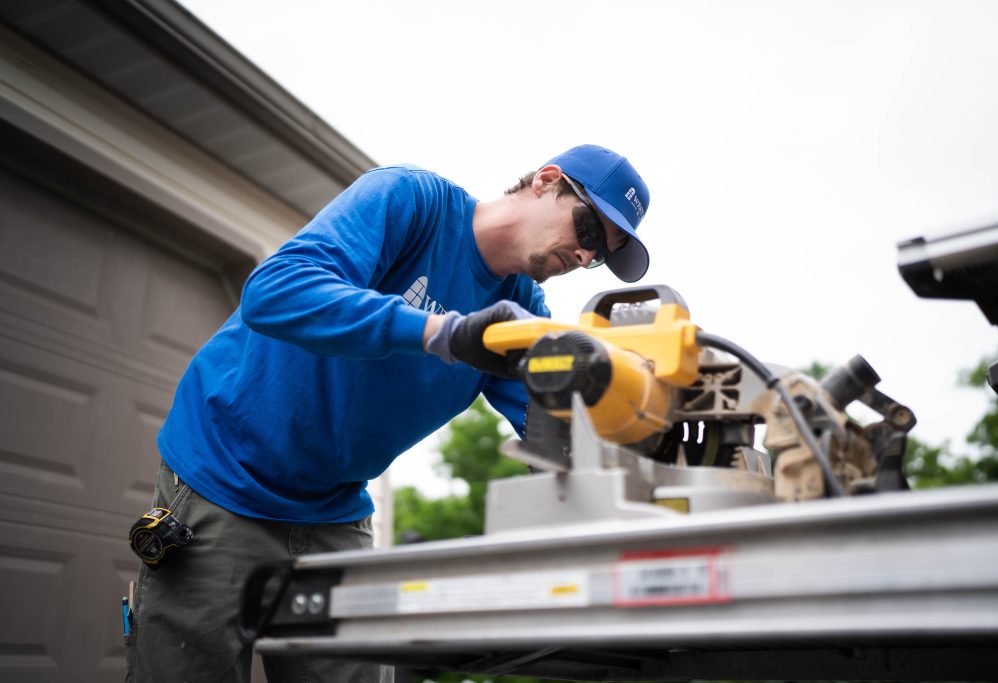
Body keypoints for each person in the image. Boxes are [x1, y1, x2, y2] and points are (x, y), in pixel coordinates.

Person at [125, 144, 651, 682]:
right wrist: (440, 332)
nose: (587, 258)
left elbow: (556, 439)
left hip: (332, 514)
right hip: (224, 482)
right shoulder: (411, 202)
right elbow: (275, 292)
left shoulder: (521, 314)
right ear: (545, 180)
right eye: (589, 232)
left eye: (602, 256)